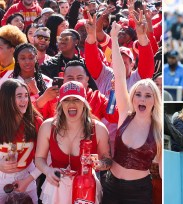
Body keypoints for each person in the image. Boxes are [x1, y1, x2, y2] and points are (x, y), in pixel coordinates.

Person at [101, 20, 162, 203]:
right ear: (132, 97)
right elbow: (119, 75)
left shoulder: (158, 130)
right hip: (111, 186)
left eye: (148, 96)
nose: (142, 99)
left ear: (155, 101)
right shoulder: (125, 115)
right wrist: (113, 37)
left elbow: (163, 171)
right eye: (138, 94)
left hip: (138, 192)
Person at [35, 81, 112, 203]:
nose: (71, 103)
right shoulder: (48, 126)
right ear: (60, 104)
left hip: (86, 189)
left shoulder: (99, 129)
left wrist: (98, 164)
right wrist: (47, 171)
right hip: (56, 190)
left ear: (84, 103)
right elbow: (39, 158)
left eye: (76, 99)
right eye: (66, 100)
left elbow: (108, 161)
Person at [0, 79, 43, 203]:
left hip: (26, 177)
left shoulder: (35, 122)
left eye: (26, 96)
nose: (24, 100)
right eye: (19, 96)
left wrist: (29, 179)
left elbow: (47, 157)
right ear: (6, 99)